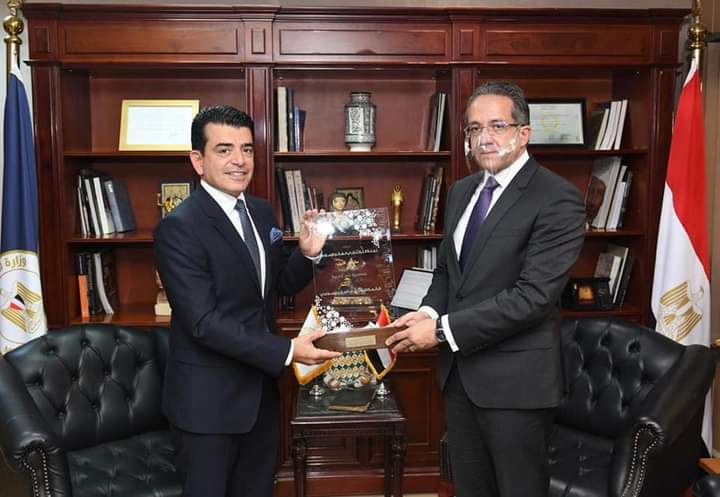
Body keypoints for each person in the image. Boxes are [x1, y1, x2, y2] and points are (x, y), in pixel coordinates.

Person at [386, 81, 586, 497]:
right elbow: (448, 272)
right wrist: (427, 312)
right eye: (475, 128)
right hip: (460, 378)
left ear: (523, 133)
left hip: (517, 385)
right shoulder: (463, 191)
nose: (485, 138)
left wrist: (440, 331)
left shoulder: (557, 198)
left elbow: (533, 298)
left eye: (497, 125)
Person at [154, 105, 340, 497]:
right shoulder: (179, 228)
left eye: (247, 149)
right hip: (208, 405)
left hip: (260, 396)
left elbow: (276, 286)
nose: (240, 160)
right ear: (198, 161)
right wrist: (287, 350)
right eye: (224, 150)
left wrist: (307, 254)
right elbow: (203, 322)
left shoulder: (260, 210)